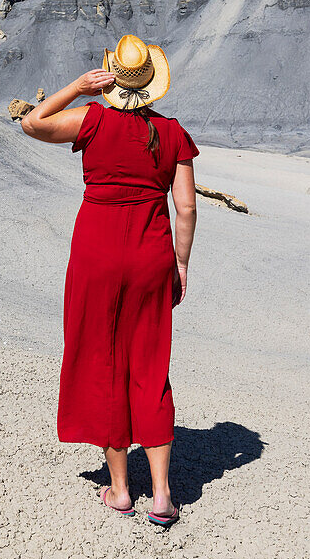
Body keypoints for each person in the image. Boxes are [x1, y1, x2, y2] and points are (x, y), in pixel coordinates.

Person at [21, 34, 199, 528]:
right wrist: (180, 265)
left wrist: (78, 87)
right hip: (151, 254)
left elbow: (31, 123)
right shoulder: (172, 133)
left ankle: (120, 489)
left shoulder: (92, 119)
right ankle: (162, 496)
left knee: (102, 358)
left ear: (111, 79)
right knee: (149, 361)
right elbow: (185, 207)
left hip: (96, 253)